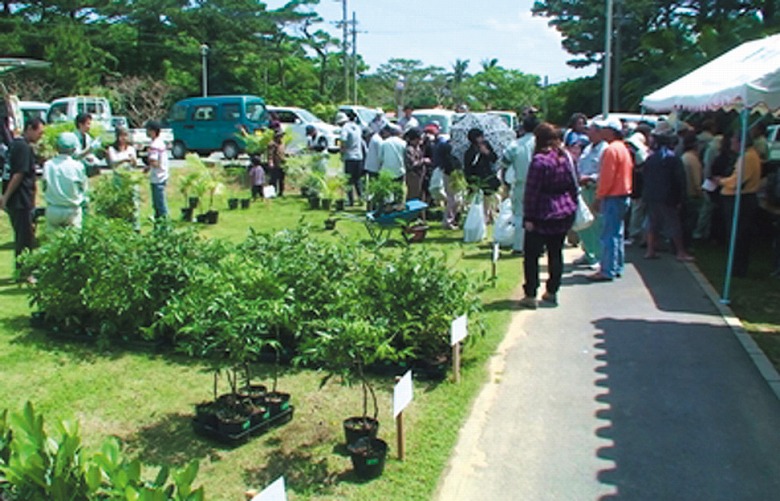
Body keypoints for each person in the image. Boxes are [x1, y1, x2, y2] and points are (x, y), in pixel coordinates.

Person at [519, 122, 578, 309]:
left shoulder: (539, 161)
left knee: (532, 256)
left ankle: (530, 294)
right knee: (556, 253)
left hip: (541, 214)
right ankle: (552, 291)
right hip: (563, 212)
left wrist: (528, 217)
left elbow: (532, 192)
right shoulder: (565, 158)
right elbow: (573, 185)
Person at [641, 122, 694, 262]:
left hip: (651, 195)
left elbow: (645, 176)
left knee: (653, 224)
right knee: (674, 224)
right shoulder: (673, 158)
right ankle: (680, 252)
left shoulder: (651, 158)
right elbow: (679, 181)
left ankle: (650, 250)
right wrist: (681, 199)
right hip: (667, 197)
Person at [588, 116, 633, 282]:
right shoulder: (623, 148)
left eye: (604, 129)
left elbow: (607, 177)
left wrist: (599, 197)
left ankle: (607, 270)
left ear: (611, 131)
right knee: (617, 234)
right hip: (623, 195)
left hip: (612, 196)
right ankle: (616, 266)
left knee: (608, 235)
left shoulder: (610, 150)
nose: (601, 131)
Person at [0, 117, 44, 281]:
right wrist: (6, 197)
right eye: (39, 132)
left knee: (24, 235)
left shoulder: (14, 145)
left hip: (18, 199)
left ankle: (23, 270)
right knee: (24, 238)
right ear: (30, 129)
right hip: (20, 199)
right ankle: (24, 272)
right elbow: (18, 174)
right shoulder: (23, 147)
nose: (41, 136)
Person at [716, 132, 762, 277]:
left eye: (733, 141)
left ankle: (737, 268)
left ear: (741, 142)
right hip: (744, 198)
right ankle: (737, 266)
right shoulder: (750, 155)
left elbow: (737, 181)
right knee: (740, 235)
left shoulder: (747, 157)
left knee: (737, 235)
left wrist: (721, 181)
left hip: (740, 200)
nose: (731, 144)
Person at [501, 115, 538, 254]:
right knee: (538, 215)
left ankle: (518, 246)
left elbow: (504, 162)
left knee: (519, 215)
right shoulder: (542, 144)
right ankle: (537, 246)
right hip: (540, 186)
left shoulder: (515, 144)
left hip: (521, 183)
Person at [573, 121, 607, 268]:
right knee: (584, 223)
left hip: (596, 189)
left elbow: (604, 172)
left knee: (597, 224)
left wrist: (590, 178)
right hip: (584, 190)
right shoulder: (588, 148)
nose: (588, 133)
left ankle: (598, 256)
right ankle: (588, 252)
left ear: (599, 132)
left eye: (591, 130)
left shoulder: (604, 149)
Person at [42, 132, 88, 232]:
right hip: (72, 209)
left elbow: (44, 186)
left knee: (52, 242)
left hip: (53, 208)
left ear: (57, 147)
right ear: (74, 149)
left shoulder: (48, 165)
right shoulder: (78, 166)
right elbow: (83, 188)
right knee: (73, 242)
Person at [464, 128, 500, 222]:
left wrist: (486, 152)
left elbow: (494, 158)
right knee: (477, 198)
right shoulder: (470, 151)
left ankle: (487, 216)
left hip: (487, 174)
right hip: (476, 176)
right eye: (480, 137)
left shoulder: (486, 145)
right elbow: (468, 166)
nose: (482, 138)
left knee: (489, 195)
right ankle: (481, 217)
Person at [680, 131, 704, 248]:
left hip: (685, 194)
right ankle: (687, 245)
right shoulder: (693, 159)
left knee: (684, 222)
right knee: (690, 222)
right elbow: (696, 180)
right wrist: (701, 193)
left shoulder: (684, 157)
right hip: (692, 195)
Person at [337, 110, 365, 206]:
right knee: (357, 179)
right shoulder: (357, 127)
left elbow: (343, 141)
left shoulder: (345, 128)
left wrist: (341, 153)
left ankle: (350, 200)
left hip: (349, 157)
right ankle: (361, 199)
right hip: (359, 157)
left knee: (348, 180)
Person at [144, 120, 169, 220]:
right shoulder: (160, 143)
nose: (146, 132)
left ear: (153, 131)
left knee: (160, 206)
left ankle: (165, 227)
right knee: (159, 205)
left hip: (157, 178)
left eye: (148, 130)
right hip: (162, 176)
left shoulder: (154, 145)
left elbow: (155, 162)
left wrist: (148, 161)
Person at [404, 127, 430, 201]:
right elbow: (411, 165)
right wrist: (423, 161)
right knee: (413, 198)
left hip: (421, 176)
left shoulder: (418, 147)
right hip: (413, 177)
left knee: (421, 197)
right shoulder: (409, 149)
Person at [267, 130, 286, 196]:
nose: (281, 137)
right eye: (280, 136)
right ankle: (273, 193)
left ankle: (281, 192)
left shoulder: (282, 143)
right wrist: (270, 162)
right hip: (275, 164)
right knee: (273, 179)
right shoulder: (272, 144)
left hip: (282, 163)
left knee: (281, 179)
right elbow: (270, 154)